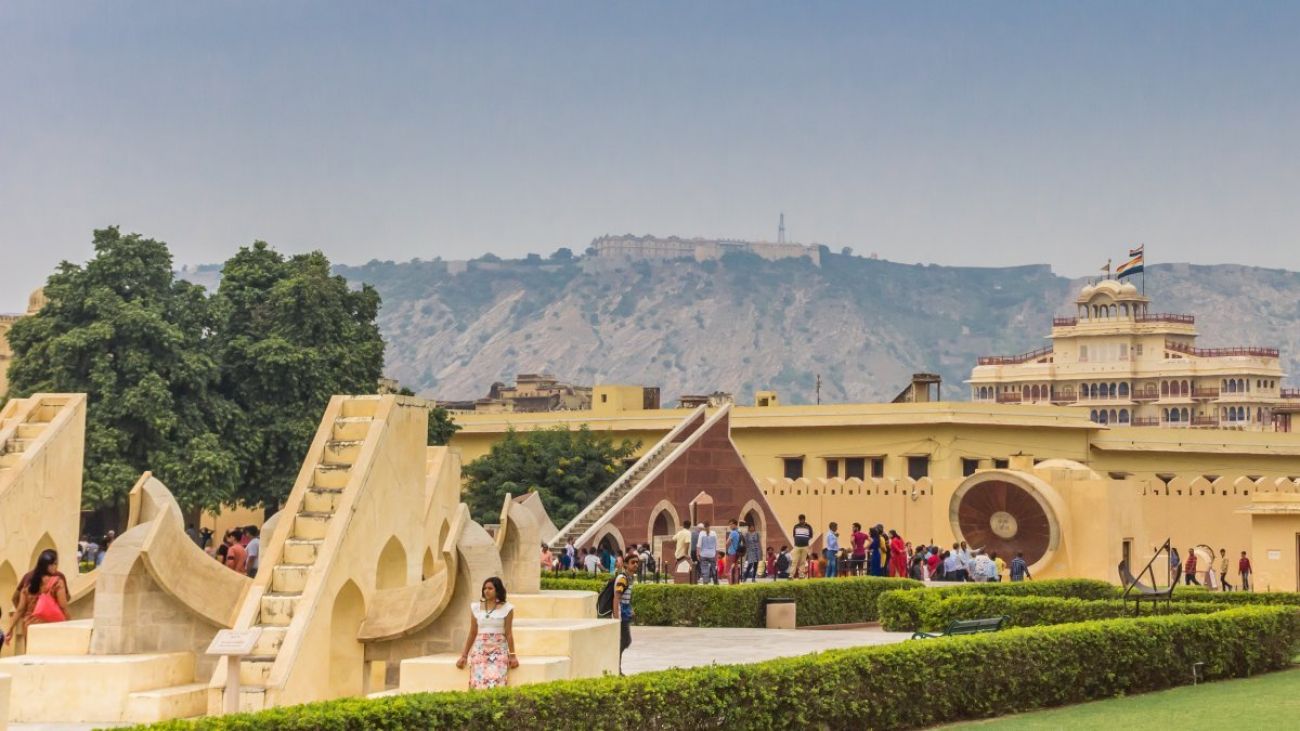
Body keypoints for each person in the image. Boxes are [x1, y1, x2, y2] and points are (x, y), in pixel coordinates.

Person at [455, 576, 518, 689]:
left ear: (498, 590)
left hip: (499, 650)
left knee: (498, 683)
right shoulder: (476, 608)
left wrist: (513, 656)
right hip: (480, 650)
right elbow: (472, 632)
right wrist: (464, 655)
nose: (486, 591)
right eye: (485, 588)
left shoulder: (507, 608)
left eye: (490, 588)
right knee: (478, 683)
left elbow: (508, 633)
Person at [7, 549, 70, 654]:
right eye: (54, 564)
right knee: (50, 655)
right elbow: (63, 606)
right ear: (47, 565)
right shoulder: (58, 581)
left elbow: (20, 609)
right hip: (51, 625)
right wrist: (69, 622)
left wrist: (10, 628)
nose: (56, 566)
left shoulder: (28, 581)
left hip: (30, 625)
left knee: (32, 656)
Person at [614, 552, 638, 674]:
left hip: (625, 613)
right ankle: (616, 667)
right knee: (625, 641)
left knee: (625, 641)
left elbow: (625, 598)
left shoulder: (629, 578)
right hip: (621, 614)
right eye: (633, 562)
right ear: (626, 565)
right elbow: (616, 598)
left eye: (637, 562)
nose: (636, 565)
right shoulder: (623, 579)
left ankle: (616, 667)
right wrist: (616, 617)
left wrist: (630, 609)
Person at [726, 519, 742, 584]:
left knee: (729, 570)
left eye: (731, 524)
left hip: (731, 553)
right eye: (729, 524)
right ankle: (736, 583)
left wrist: (726, 548)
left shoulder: (733, 533)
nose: (730, 526)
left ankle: (730, 584)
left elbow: (727, 543)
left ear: (735, 524)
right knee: (735, 569)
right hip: (737, 553)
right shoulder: (739, 532)